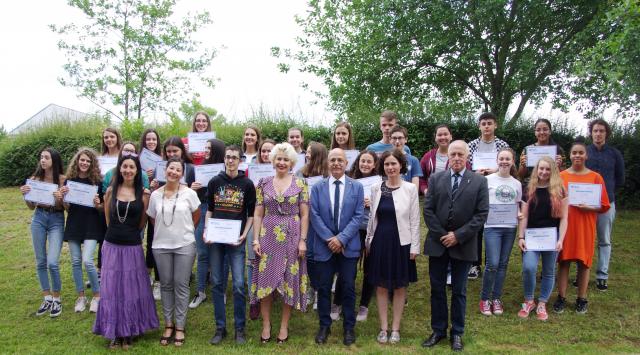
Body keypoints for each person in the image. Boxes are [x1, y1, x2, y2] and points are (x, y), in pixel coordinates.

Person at [422, 140, 489, 352]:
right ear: (448, 157)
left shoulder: (478, 181)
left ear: (467, 157)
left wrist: (458, 236)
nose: (457, 158)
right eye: (453, 154)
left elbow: (481, 215)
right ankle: (438, 330)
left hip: (464, 244)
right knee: (437, 289)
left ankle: (457, 332)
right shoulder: (435, 179)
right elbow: (428, 210)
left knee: (459, 291)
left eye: (461, 154)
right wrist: (443, 235)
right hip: (438, 243)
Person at [93, 153, 158, 349]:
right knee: (112, 290)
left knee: (130, 290)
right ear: (119, 169)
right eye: (124, 167)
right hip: (112, 245)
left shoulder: (144, 195)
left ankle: (128, 331)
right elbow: (107, 220)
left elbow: (141, 224)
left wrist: (129, 234)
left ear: (137, 171)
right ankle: (114, 332)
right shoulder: (111, 191)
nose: (128, 170)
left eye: (131, 167)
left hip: (132, 246)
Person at [250, 142, 310, 344]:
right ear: (272, 160)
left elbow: (304, 215)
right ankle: (266, 324)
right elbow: (258, 214)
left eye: (286, 159)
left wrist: (302, 241)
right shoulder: (263, 183)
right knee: (266, 282)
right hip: (267, 237)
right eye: (279, 159)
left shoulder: (301, 184)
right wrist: (255, 239)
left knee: (288, 282)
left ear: (292, 162)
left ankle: (284, 326)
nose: (282, 162)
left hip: (292, 238)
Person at [308, 148, 364, 346]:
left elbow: (358, 216)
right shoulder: (317, 188)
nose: (336, 163)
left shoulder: (357, 187)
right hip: (324, 247)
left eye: (340, 160)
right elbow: (314, 215)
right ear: (327, 163)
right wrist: (330, 239)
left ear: (346, 163)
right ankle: (324, 325)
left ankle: (349, 327)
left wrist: (341, 239)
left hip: (348, 247)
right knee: (323, 288)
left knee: (348, 287)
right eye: (333, 160)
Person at [365, 149, 420, 345]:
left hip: (402, 243)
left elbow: (415, 220)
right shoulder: (376, 188)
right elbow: (373, 217)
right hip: (380, 241)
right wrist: (368, 241)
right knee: (380, 286)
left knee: (399, 286)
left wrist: (415, 247)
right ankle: (383, 327)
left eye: (394, 164)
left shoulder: (410, 189)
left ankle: (395, 329)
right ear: (383, 167)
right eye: (387, 164)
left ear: (401, 166)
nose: (390, 167)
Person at [205, 145, 256, 345]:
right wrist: (207, 230)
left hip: (236, 241)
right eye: (228, 157)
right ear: (224, 159)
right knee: (217, 283)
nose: (231, 161)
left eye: (234, 157)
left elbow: (251, 214)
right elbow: (209, 209)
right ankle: (220, 328)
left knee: (238, 285)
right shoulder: (214, 182)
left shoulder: (247, 184)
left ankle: (240, 328)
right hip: (216, 240)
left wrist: (244, 234)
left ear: (240, 160)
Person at [147, 157, 200, 347]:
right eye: (171, 168)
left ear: (182, 173)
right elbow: (153, 219)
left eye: (178, 170)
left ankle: (180, 326)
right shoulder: (155, 195)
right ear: (165, 170)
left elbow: (196, 216)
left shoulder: (190, 194)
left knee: (181, 285)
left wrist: (183, 232)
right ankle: (168, 324)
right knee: (166, 285)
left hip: (184, 245)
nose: (174, 172)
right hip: (161, 246)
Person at [553, 141, 610, 314]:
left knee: (584, 262)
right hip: (566, 224)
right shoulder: (561, 176)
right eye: (574, 153)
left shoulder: (595, 177)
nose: (577, 155)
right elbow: (554, 200)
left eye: (580, 153)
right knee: (564, 261)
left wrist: (589, 207)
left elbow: (604, 205)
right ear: (569, 156)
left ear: (586, 155)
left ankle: (581, 298)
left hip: (585, 225)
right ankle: (561, 297)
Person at [517, 157, 568, 321]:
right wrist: (521, 237)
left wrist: (561, 239)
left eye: (547, 169)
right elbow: (523, 216)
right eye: (541, 169)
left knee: (548, 271)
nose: (544, 172)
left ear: (552, 171)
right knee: (529, 268)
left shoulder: (560, 190)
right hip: (531, 237)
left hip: (551, 238)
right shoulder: (528, 189)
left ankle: (542, 303)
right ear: (536, 170)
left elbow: (564, 218)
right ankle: (529, 300)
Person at [19, 148, 66, 317]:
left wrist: (59, 198)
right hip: (38, 217)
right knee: (40, 261)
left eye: (46, 157)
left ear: (54, 159)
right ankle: (46, 297)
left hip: (56, 219)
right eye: (41, 157)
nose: (43, 160)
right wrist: (26, 195)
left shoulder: (62, 179)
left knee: (52, 262)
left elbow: (64, 207)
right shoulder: (34, 179)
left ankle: (57, 298)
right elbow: (31, 206)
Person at [58, 148, 105, 314]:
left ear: (92, 163)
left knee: (87, 261)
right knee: (76, 261)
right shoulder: (69, 181)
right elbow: (67, 208)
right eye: (82, 160)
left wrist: (98, 203)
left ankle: (97, 295)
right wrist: (63, 198)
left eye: (88, 161)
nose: (84, 163)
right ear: (77, 161)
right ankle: (81, 296)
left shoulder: (98, 182)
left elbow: (101, 208)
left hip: (92, 224)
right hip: (74, 224)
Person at [479, 148, 522, 316]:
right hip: (491, 227)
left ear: (512, 162)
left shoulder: (517, 183)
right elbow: (481, 202)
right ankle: (484, 299)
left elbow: (518, 204)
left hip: (510, 228)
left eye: (507, 159)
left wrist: (518, 213)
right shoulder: (487, 180)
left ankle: (496, 298)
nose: (504, 161)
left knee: (503, 264)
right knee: (492, 264)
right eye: (501, 158)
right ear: (497, 161)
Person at [467, 112, 510, 280]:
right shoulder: (472, 145)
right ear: (479, 126)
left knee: (493, 225)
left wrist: (496, 171)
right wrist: (474, 172)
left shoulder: (502, 145)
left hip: (496, 190)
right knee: (476, 227)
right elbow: (466, 167)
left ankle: (492, 262)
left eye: (489, 123)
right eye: (483, 123)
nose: (486, 126)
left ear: (495, 125)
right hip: (476, 189)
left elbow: (508, 165)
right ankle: (475, 264)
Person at [585, 119, 625, 291]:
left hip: (606, 203)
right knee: (585, 239)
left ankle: (602, 275)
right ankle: (582, 274)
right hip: (584, 204)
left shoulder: (615, 154)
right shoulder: (585, 152)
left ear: (606, 133)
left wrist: (605, 193)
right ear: (591, 133)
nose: (598, 134)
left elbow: (620, 179)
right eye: (595, 131)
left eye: (601, 131)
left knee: (604, 240)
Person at [188, 138, 227, 310]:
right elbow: (190, 194)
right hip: (203, 210)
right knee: (202, 252)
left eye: (209, 148)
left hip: (222, 212)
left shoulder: (226, 170)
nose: (205, 151)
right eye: (205, 148)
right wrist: (193, 188)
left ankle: (222, 290)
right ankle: (201, 291)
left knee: (223, 254)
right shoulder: (199, 169)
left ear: (217, 150)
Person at [345, 150, 379, 322]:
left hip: (372, 229)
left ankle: (364, 305)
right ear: (358, 162)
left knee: (369, 268)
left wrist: (373, 202)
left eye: (369, 162)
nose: (365, 164)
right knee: (349, 266)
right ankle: (343, 301)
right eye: (362, 161)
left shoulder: (380, 182)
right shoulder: (350, 180)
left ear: (374, 164)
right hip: (353, 229)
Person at [247, 138, 276, 320]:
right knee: (253, 258)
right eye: (263, 151)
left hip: (274, 222)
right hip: (255, 217)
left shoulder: (281, 171)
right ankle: (254, 298)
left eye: (269, 151)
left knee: (271, 258)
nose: (265, 154)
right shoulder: (252, 170)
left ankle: (270, 291)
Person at [140, 129, 162, 295]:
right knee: (141, 240)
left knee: (154, 238)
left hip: (156, 202)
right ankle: (144, 274)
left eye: (154, 139)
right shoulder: (138, 159)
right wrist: (144, 178)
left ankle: (157, 279)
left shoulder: (163, 160)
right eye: (148, 139)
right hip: (140, 203)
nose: (151, 142)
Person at [517, 118, 565, 185]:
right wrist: (523, 166)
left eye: (545, 129)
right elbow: (520, 176)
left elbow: (563, 176)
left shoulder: (558, 150)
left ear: (550, 131)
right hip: (530, 186)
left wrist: (559, 167)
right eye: (538, 130)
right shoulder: (527, 150)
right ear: (535, 132)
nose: (542, 132)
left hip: (551, 186)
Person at [389, 125, 422, 192]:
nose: (397, 141)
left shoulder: (414, 160)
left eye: (400, 138)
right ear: (390, 139)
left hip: (407, 197)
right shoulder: (385, 159)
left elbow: (415, 187)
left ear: (406, 139)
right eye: (394, 138)